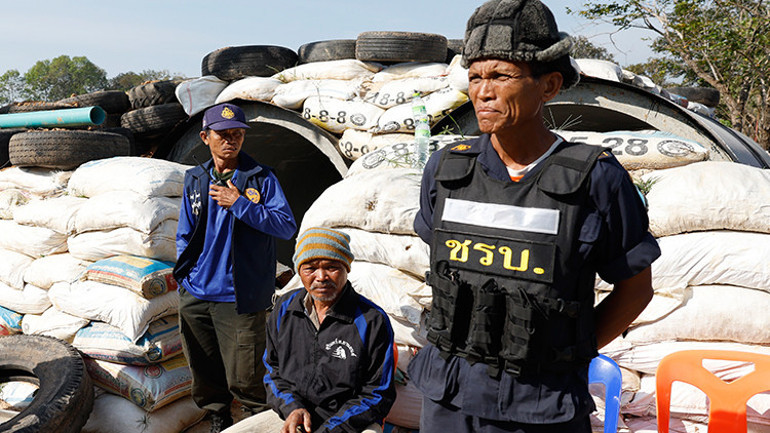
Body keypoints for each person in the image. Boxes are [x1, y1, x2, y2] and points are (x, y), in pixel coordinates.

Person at [408, 1, 661, 432]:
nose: (483, 91)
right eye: (475, 77)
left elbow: (635, 290)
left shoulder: (596, 178)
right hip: (449, 399)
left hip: (541, 406)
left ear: (549, 85)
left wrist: (562, 353)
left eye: (501, 76)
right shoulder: (448, 169)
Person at [174, 102, 297, 432]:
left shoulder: (262, 178)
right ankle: (218, 418)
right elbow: (185, 232)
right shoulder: (195, 179)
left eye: (238, 134)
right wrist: (185, 277)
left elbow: (285, 226)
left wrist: (240, 204)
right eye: (223, 134)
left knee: (247, 377)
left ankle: (257, 424)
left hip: (239, 296)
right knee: (204, 370)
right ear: (205, 137)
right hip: (197, 292)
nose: (231, 140)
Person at [223, 227, 396, 433]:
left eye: (331, 267)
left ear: (346, 269)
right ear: (299, 271)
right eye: (310, 268)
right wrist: (293, 408)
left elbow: (377, 394)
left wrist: (331, 429)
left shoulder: (372, 320)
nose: (321, 276)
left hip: (350, 423)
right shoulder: (285, 308)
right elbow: (273, 370)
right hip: (295, 414)